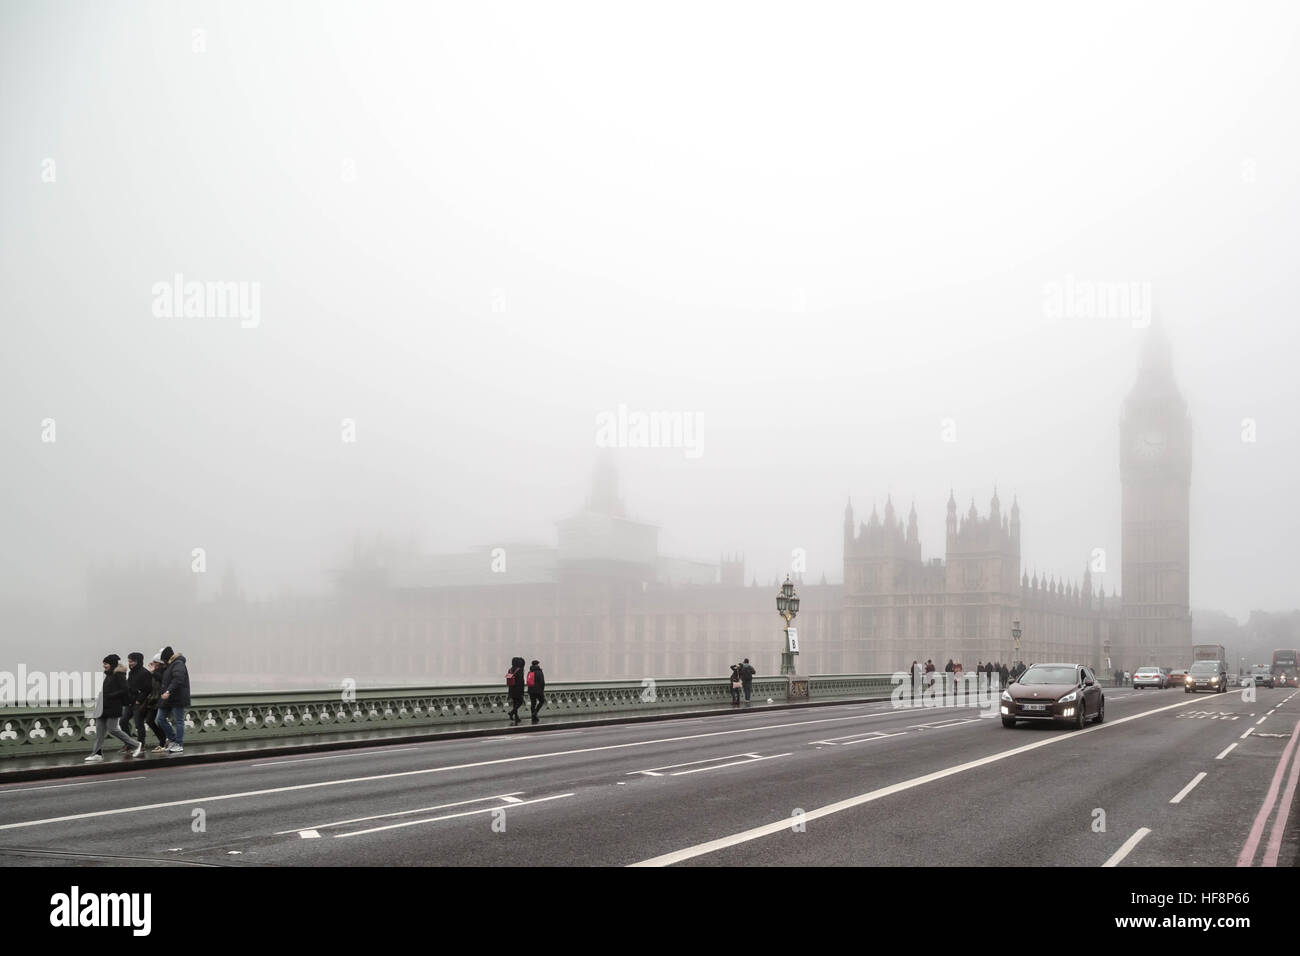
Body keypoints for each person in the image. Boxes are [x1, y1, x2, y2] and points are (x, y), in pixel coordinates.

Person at [86, 655, 142, 762]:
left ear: (111, 664)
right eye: (104, 663)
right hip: (103, 707)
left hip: (113, 707)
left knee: (113, 729)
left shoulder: (119, 675)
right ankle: (97, 753)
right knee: (99, 732)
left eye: (106, 664)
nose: (104, 666)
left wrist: (111, 695)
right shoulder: (109, 675)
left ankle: (136, 745)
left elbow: (125, 689)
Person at [155, 646, 190, 754]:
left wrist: (168, 691)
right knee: (160, 719)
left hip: (177, 697)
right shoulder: (171, 665)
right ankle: (173, 740)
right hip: (168, 698)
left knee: (179, 721)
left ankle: (179, 744)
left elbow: (178, 679)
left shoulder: (178, 663)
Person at [118, 652, 152, 753]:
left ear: (138, 661)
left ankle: (141, 746)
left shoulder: (145, 673)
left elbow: (148, 689)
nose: (130, 663)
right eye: (129, 661)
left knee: (139, 724)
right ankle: (129, 744)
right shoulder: (131, 672)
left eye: (131, 661)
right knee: (123, 721)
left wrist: (139, 700)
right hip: (130, 702)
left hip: (138, 703)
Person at [145, 655, 169, 752]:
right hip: (153, 700)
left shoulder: (164, 671)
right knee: (150, 721)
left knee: (160, 720)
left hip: (160, 700)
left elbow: (163, 680)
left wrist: (153, 672)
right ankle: (164, 741)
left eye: (155, 662)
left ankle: (164, 742)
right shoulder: (154, 672)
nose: (153, 664)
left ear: (159, 664)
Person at [505, 656, 526, 724]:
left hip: (511, 688)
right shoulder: (520, 669)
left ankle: (516, 717)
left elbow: (508, 679)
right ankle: (512, 712)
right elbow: (521, 681)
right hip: (518, 688)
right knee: (520, 701)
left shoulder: (510, 669)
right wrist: (522, 690)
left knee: (515, 703)